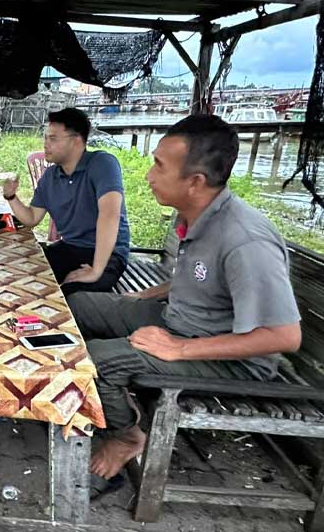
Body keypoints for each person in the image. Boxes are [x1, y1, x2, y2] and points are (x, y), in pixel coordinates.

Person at [67, 115, 301, 494]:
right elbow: (206, 277)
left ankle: (126, 435)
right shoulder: (201, 215)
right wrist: (149, 294)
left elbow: (284, 336)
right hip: (181, 320)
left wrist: (179, 348)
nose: (148, 175)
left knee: (98, 359)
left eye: (159, 166)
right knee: (78, 305)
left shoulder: (246, 239)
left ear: (195, 182)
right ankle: (90, 399)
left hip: (233, 359)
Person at [3, 107, 131, 296]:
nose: (46, 144)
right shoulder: (50, 176)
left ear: (77, 140)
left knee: (70, 295)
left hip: (108, 254)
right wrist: (11, 197)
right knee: (22, 274)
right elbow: (31, 218)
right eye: (45, 137)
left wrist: (96, 271)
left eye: (53, 139)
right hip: (71, 247)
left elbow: (109, 216)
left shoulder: (103, 164)